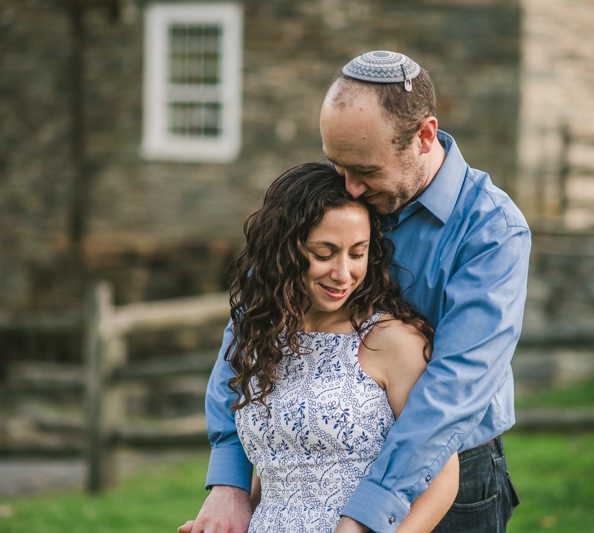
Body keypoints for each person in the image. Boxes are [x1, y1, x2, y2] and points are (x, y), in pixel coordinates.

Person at [188, 50, 531, 533]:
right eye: (336, 165)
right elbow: (250, 325)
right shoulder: (335, 194)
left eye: (365, 171)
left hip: (447, 474)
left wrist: (369, 514)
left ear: (424, 136)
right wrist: (230, 482)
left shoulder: (491, 230)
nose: (347, 188)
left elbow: (454, 388)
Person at [179, 163, 458, 533]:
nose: (343, 274)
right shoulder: (264, 336)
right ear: (283, 251)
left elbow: (441, 474)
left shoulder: (393, 341)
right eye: (324, 254)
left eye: (356, 253)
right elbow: (283, 466)